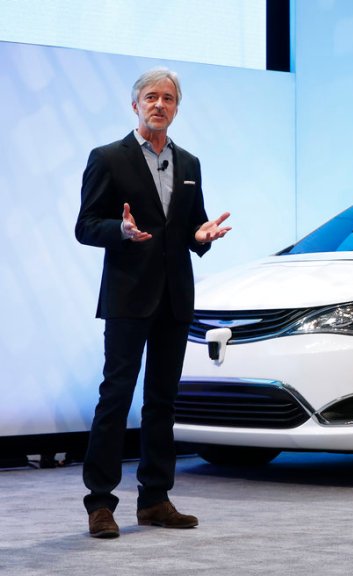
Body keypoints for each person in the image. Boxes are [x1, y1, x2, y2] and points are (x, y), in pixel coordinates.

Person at [75, 67, 231, 538]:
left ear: (177, 108)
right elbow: (86, 225)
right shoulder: (107, 158)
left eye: (167, 98)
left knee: (162, 400)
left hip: (174, 297)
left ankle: (155, 499)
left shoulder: (189, 164)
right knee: (116, 396)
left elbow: (190, 227)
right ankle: (100, 503)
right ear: (135, 104)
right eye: (150, 97)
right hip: (127, 296)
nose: (159, 104)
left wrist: (201, 237)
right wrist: (119, 232)